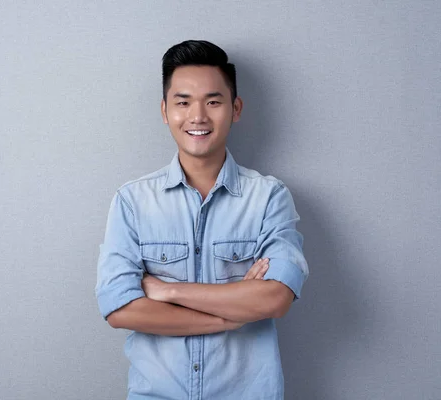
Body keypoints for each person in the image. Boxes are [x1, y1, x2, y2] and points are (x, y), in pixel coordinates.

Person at [95, 40, 309, 400]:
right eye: (183, 102)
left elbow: (275, 298)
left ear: (235, 108)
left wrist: (167, 290)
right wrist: (233, 315)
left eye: (213, 101)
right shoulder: (132, 201)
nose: (198, 116)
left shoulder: (269, 197)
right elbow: (120, 308)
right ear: (165, 111)